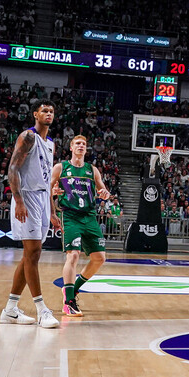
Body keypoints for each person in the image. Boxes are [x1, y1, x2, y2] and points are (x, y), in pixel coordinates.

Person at [0, 100, 60, 329]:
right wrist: (19, 201)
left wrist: (52, 210)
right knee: (33, 253)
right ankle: (42, 309)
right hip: (27, 197)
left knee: (29, 256)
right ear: (35, 114)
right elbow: (12, 168)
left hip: (43, 199)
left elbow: (46, 178)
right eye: (44, 110)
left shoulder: (50, 143)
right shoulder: (28, 136)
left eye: (52, 111)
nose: (48, 114)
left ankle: (10, 309)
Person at [50, 135, 112, 317]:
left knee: (99, 258)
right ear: (71, 147)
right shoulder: (61, 167)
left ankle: (72, 289)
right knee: (73, 255)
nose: (81, 146)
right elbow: (49, 189)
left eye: (84, 144)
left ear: (86, 149)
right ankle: (69, 302)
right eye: (77, 143)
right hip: (70, 216)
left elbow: (103, 190)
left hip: (90, 216)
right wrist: (53, 212)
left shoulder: (92, 170)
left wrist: (105, 194)